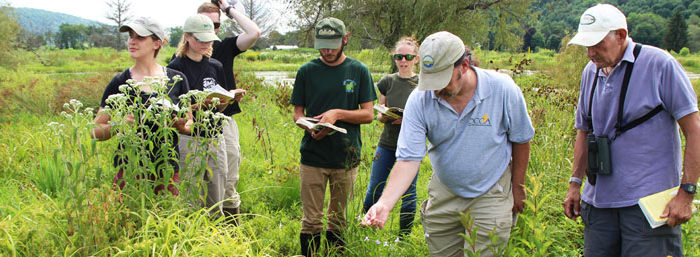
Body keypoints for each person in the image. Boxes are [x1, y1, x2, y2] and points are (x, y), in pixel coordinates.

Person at [362, 31, 534, 257]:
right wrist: (384, 203)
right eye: (431, 81)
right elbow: (408, 159)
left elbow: (521, 140)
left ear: (464, 65)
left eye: (442, 81)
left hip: (491, 189)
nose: (436, 90)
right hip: (445, 191)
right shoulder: (420, 99)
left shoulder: (502, 89)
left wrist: (518, 188)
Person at [562, 4, 700, 256]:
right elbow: (583, 130)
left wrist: (686, 193)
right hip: (599, 204)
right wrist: (575, 184)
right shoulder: (590, 72)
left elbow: (694, 130)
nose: (590, 53)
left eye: (597, 44)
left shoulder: (660, 65)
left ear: (621, 36)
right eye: (586, 46)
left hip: (648, 207)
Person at [290, 17, 377, 256]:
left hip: (345, 155)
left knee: (339, 219)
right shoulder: (307, 71)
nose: (327, 50)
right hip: (312, 155)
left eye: (333, 43)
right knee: (311, 220)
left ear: (345, 39)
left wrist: (337, 114)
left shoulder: (358, 70)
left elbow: (368, 114)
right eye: (322, 44)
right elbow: (297, 113)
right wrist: (308, 126)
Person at [92, 16, 190, 196]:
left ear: (156, 43)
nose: (132, 41)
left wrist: (181, 126)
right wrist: (117, 125)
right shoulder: (120, 82)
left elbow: (190, 123)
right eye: (130, 36)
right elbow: (95, 130)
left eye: (140, 37)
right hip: (129, 170)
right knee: (127, 220)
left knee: (164, 219)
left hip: (166, 169)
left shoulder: (177, 79)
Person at [168, 14, 244, 217]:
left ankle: (216, 239)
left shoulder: (215, 66)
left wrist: (226, 100)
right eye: (199, 39)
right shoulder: (175, 67)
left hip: (214, 137)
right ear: (187, 37)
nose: (205, 44)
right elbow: (174, 109)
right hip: (188, 138)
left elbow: (218, 107)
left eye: (208, 39)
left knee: (216, 192)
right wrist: (200, 103)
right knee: (189, 195)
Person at [197, 0, 261, 221]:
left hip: (224, 122)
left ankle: (232, 232)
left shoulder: (223, 47)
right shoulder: (180, 60)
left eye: (215, 25)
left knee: (229, 178)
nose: (210, 30)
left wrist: (228, 9)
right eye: (204, 24)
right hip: (194, 127)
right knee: (199, 180)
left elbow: (253, 32)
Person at [362, 37, 420, 237]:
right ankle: (366, 227)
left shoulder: (422, 83)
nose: (403, 60)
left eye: (408, 56)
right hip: (387, 143)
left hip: (411, 147)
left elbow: (426, 117)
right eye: (399, 56)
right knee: (375, 187)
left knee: (409, 193)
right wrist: (386, 116)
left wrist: (407, 119)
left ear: (416, 59)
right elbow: (379, 112)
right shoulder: (387, 81)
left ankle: (404, 236)